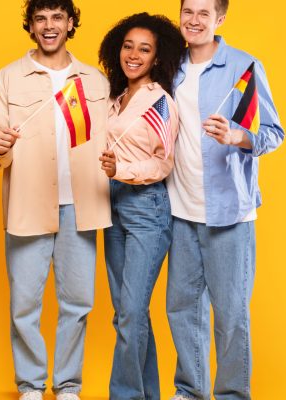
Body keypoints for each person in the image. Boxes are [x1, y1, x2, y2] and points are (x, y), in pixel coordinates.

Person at [0, 0, 110, 399]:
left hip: (81, 205)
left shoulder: (95, 80)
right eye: (41, 19)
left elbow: (111, 137)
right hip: (28, 204)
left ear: (71, 23)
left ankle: (68, 385)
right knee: (24, 304)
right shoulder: (7, 78)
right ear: (31, 26)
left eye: (58, 18)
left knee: (78, 302)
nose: (49, 26)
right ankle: (31, 386)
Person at [165, 0, 285, 399]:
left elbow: (273, 131)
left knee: (231, 315)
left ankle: (232, 394)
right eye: (188, 12)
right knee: (182, 309)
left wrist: (238, 135)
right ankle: (189, 391)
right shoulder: (171, 65)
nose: (194, 21)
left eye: (204, 13)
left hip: (229, 211)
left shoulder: (244, 66)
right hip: (180, 211)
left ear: (220, 18)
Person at [97, 12, 184, 400]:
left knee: (132, 312)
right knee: (128, 314)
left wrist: (123, 169)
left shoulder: (160, 103)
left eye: (144, 49)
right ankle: (148, 394)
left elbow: (164, 162)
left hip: (146, 208)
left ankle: (124, 396)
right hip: (111, 206)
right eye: (128, 46)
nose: (134, 54)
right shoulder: (116, 98)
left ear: (157, 57)